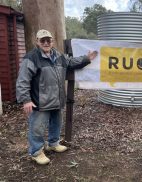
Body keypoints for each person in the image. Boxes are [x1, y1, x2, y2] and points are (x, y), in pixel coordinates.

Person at [16, 29, 98, 165]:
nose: (46, 42)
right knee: (37, 127)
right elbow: (22, 80)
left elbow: (71, 62)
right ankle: (36, 152)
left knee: (56, 123)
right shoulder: (31, 58)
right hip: (40, 102)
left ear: (52, 42)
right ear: (37, 42)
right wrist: (26, 100)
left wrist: (86, 59)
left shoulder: (59, 56)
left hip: (57, 99)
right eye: (43, 40)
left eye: (48, 40)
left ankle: (53, 143)